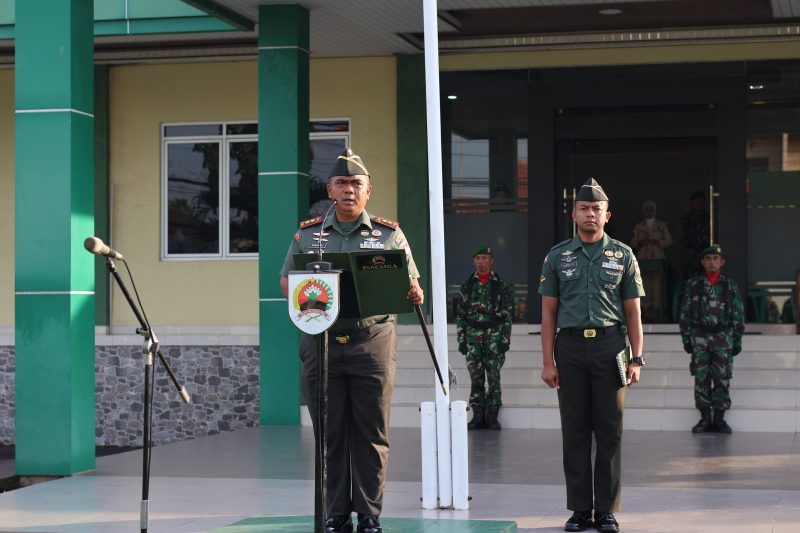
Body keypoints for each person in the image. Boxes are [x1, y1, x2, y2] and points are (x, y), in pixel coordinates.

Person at [279, 148, 424, 533]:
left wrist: (414, 293)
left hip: (372, 340)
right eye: (341, 183)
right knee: (330, 431)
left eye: (356, 184)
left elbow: (412, 284)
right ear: (330, 189)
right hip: (321, 341)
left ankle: (370, 514)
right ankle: (336, 511)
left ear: (368, 190)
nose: (348, 190)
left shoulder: (389, 234)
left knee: (371, 432)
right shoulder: (308, 234)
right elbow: (285, 281)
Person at [538, 177, 645, 533]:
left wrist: (637, 357)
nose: (590, 214)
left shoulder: (623, 255)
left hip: (611, 347)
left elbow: (633, 313)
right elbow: (548, 313)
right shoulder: (557, 256)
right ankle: (581, 510)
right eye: (584, 208)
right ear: (574, 213)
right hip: (568, 348)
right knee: (576, 431)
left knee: (610, 431)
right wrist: (548, 361)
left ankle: (608, 510)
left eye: (596, 209)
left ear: (607, 215)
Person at [679, 244, 744, 434]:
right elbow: (685, 313)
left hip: (723, 338)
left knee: (722, 378)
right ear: (702, 262)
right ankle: (705, 418)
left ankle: (720, 419)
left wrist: (737, 339)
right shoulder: (693, 285)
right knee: (701, 379)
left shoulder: (730, 285)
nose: (712, 261)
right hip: (700, 337)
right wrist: (686, 338)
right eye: (708, 258)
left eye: (715, 258)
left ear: (722, 262)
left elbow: (738, 314)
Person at [456, 246, 514, 431]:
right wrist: (462, 339)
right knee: (476, 377)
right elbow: (461, 315)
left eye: (485, 257)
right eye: (478, 258)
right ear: (474, 261)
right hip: (473, 337)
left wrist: (505, 338)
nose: (481, 261)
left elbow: (507, 314)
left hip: (494, 337)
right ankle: (477, 415)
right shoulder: (467, 285)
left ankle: (492, 416)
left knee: (494, 377)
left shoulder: (501, 284)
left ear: (491, 260)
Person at [680, 191, 710, 279]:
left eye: (701, 202)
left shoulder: (709, 218)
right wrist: (681, 258)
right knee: (690, 280)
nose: (699, 204)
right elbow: (682, 239)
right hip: (690, 256)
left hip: (705, 253)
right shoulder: (686, 220)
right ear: (692, 203)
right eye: (697, 201)